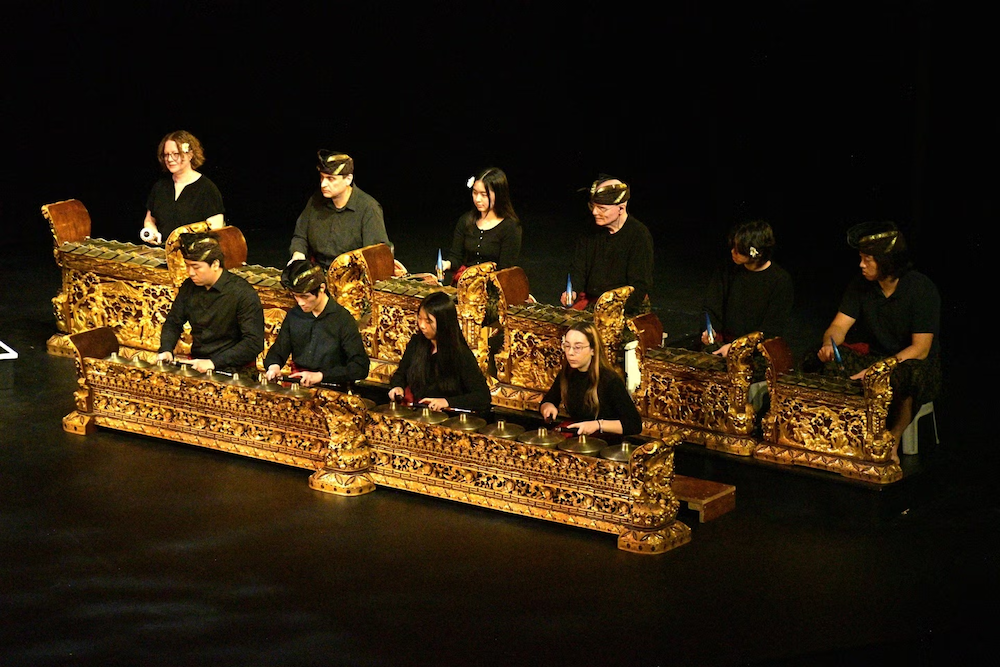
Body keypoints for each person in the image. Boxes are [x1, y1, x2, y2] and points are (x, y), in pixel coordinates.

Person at [813, 221, 941, 449]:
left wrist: (878, 371)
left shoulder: (920, 288)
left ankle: (892, 439)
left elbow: (920, 349)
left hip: (910, 362)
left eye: (867, 260)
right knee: (823, 360)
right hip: (875, 357)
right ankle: (840, 432)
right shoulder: (860, 285)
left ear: (886, 261)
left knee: (907, 376)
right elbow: (838, 326)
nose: (861, 265)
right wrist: (829, 344)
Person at [157, 232, 264, 373]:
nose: (190, 272)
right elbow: (173, 322)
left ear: (215, 264)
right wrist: (166, 349)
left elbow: (253, 343)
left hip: (234, 369)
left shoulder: (243, 293)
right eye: (187, 265)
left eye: (196, 267)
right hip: (197, 363)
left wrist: (214, 363)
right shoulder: (189, 287)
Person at [263, 260, 370, 387]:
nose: (300, 302)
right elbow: (278, 351)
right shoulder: (294, 315)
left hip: (331, 387)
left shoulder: (342, 320)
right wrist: (274, 367)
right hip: (299, 386)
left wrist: (320, 376)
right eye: (296, 296)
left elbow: (360, 367)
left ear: (322, 288)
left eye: (305, 296)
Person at [560, 175, 653, 314]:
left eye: (601, 208)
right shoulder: (589, 230)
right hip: (593, 302)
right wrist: (573, 291)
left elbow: (639, 286)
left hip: (623, 307)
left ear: (621, 208)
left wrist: (613, 311)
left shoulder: (638, 235)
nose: (594, 212)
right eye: (593, 206)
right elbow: (578, 268)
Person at [702, 220, 794, 357]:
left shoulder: (780, 280)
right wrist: (710, 330)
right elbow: (711, 306)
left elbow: (772, 330)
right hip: (723, 344)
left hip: (756, 350)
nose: (733, 252)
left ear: (756, 254)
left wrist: (737, 347)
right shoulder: (726, 269)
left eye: (739, 250)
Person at [388, 291, 491, 412]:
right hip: (414, 412)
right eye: (420, 318)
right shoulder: (416, 343)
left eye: (428, 321)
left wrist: (446, 402)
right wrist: (397, 387)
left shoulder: (460, 354)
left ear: (443, 322)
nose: (422, 325)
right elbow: (400, 374)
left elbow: (482, 396)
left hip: (444, 417)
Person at [289, 150, 391, 271]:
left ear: (348, 179)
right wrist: (298, 254)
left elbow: (376, 255)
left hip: (352, 276)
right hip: (318, 271)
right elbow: (300, 236)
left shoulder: (368, 208)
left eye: (330, 179)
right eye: (322, 178)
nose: (323, 184)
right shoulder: (315, 201)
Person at [539, 322, 643, 436]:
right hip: (578, 439)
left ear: (593, 349)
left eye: (577, 348)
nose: (570, 352)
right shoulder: (567, 373)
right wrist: (548, 407)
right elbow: (548, 401)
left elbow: (634, 425)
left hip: (604, 442)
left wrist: (597, 425)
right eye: (567, 346)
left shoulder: (610, 380)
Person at [440, 168, 522, 284]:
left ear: (498, 195)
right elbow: (456, 257)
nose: (477, 199)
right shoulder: (466, 220)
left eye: (484, 195)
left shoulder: (510, 227)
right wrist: (446, 264)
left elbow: (504, 271)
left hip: (494, 285)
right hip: (466, 282)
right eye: (475, 193)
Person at [141, 130, 225, 244]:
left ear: (190, 155)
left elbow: (215, 232)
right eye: (166, 155)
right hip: (162, 251)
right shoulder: (160, 187)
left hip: (193, 254)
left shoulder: (207, 189)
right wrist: (152, 232)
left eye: (176, 154)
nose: (170, 159)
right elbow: (149, 220)